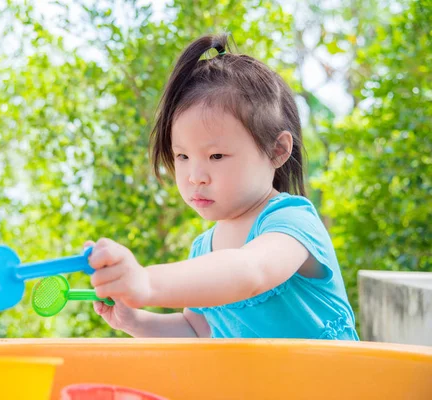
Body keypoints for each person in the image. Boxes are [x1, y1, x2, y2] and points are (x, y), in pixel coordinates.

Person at [85, 33, 358, 340]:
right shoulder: (203, 250)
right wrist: (135, 321)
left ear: (277, 151)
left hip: (335, 386)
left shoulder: (291, 221)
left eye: (216, 155)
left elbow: (250, 271)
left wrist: (146, 283)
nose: (194, 176)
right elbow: (199, 333)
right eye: (183, 156)